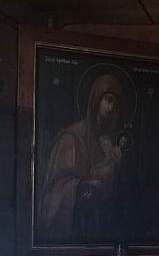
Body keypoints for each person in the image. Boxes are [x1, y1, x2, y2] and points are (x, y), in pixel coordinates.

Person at [37, 73, 127, 240]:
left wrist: (117, 164)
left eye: (116, 103)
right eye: (108, 100)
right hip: (78, 223)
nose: (112, 107)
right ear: (96, 100)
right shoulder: (72, 136)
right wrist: (83, 186)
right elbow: (57, 187)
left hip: (103, 225)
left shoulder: (109, 140)